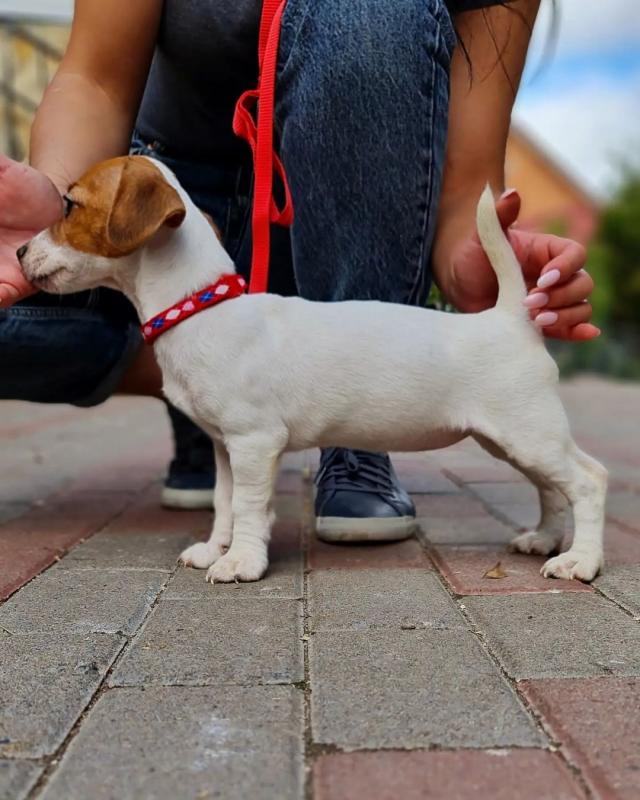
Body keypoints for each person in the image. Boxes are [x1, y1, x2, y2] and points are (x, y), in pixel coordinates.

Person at [0, 0, 597, 541]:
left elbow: (474, 192)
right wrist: (59, 200)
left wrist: (473, 257)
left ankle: (351, 442)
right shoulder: (133, 208)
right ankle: (203, 390)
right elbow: (93, 80)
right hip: (171, 230)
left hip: (341, 254)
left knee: (368, 16)